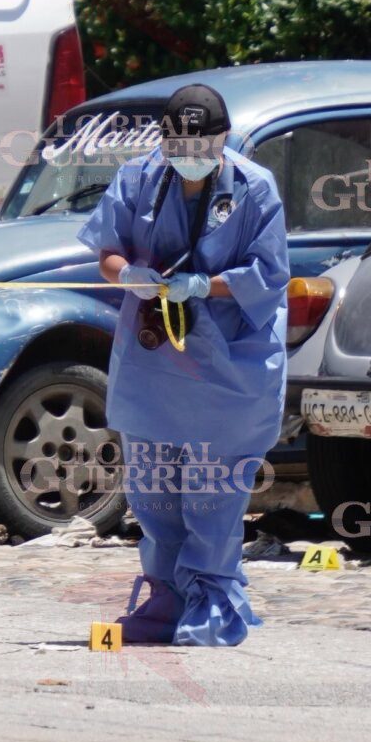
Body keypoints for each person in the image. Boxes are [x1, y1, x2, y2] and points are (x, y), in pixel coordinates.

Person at [79, 84, 290, 646]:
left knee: (213, 491)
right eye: (178, 143)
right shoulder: (140, 177)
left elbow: (269, 277)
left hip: (230, 361)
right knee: (152, 488)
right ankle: (166, 594)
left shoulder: (255, 188)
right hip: (155, 361)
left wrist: (202, 285)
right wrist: (129, 274)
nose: (189, 154)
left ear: (222, 139)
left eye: (201, 143)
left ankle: (213, 599)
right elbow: (107, 251)